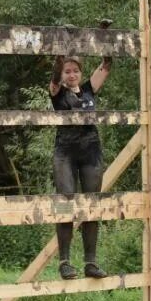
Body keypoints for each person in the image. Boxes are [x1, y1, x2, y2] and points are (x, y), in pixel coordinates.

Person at [49, 20, 114, 280]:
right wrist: (64, 43)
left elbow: (107, 65)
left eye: (75, 70)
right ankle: (65, 261)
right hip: (65, 151)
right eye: (67, 71)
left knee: (91, 203)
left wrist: (104, 35)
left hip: (90, 152)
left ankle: (90, 262)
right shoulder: (56, 92)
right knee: (65, 201)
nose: (71, 75)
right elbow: (54, 75)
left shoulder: (88, 89)